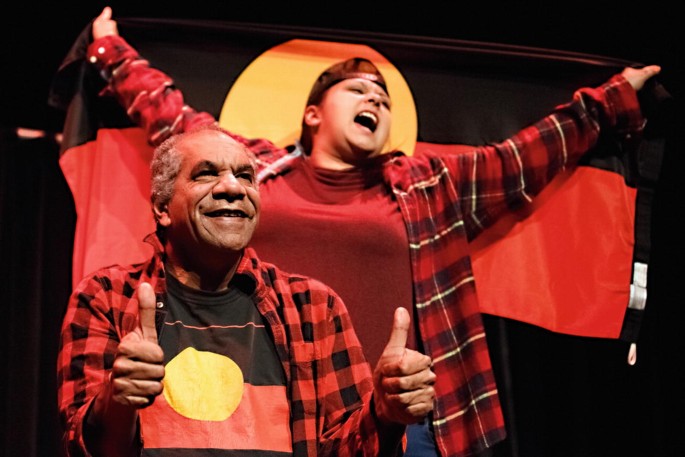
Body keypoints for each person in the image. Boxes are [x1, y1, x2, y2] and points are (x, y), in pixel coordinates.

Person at [81, 6, 661, 457]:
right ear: (313, 114)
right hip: (274, 402)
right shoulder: (249, 169)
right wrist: (109, 47)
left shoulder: (427, 184)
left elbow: (521, 158)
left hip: (399, 412)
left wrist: (614, 100)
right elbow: (171, 119)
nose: (375, 100)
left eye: (382, 97)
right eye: (358, 90)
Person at [56, 123, 436, 456]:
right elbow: (85, 446)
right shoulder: (106, 295)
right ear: (161, 207)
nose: (232, 188)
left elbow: (342, 449)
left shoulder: (313, 307)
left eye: (246, 176)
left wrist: (384, 415)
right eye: (206, 174)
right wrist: (118, 399)